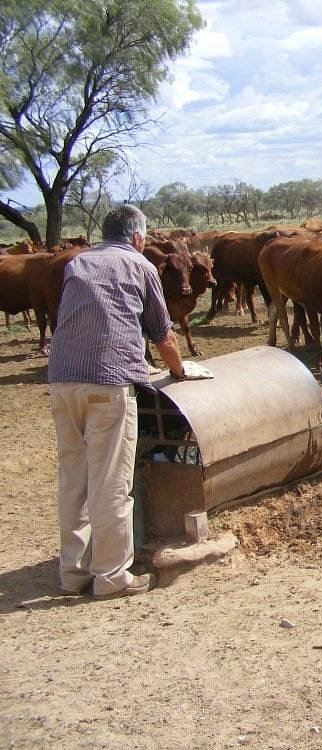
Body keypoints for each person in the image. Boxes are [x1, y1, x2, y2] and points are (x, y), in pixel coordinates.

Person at [48, 205, 187, 600]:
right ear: (138, 238)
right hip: (107, 383)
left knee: (73, 479)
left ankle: (72, 573)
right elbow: (163, 336)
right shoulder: (140, 266)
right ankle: (111, 576)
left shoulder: (77, 264)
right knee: (110, 480)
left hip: (62, 381)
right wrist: (178, 371)